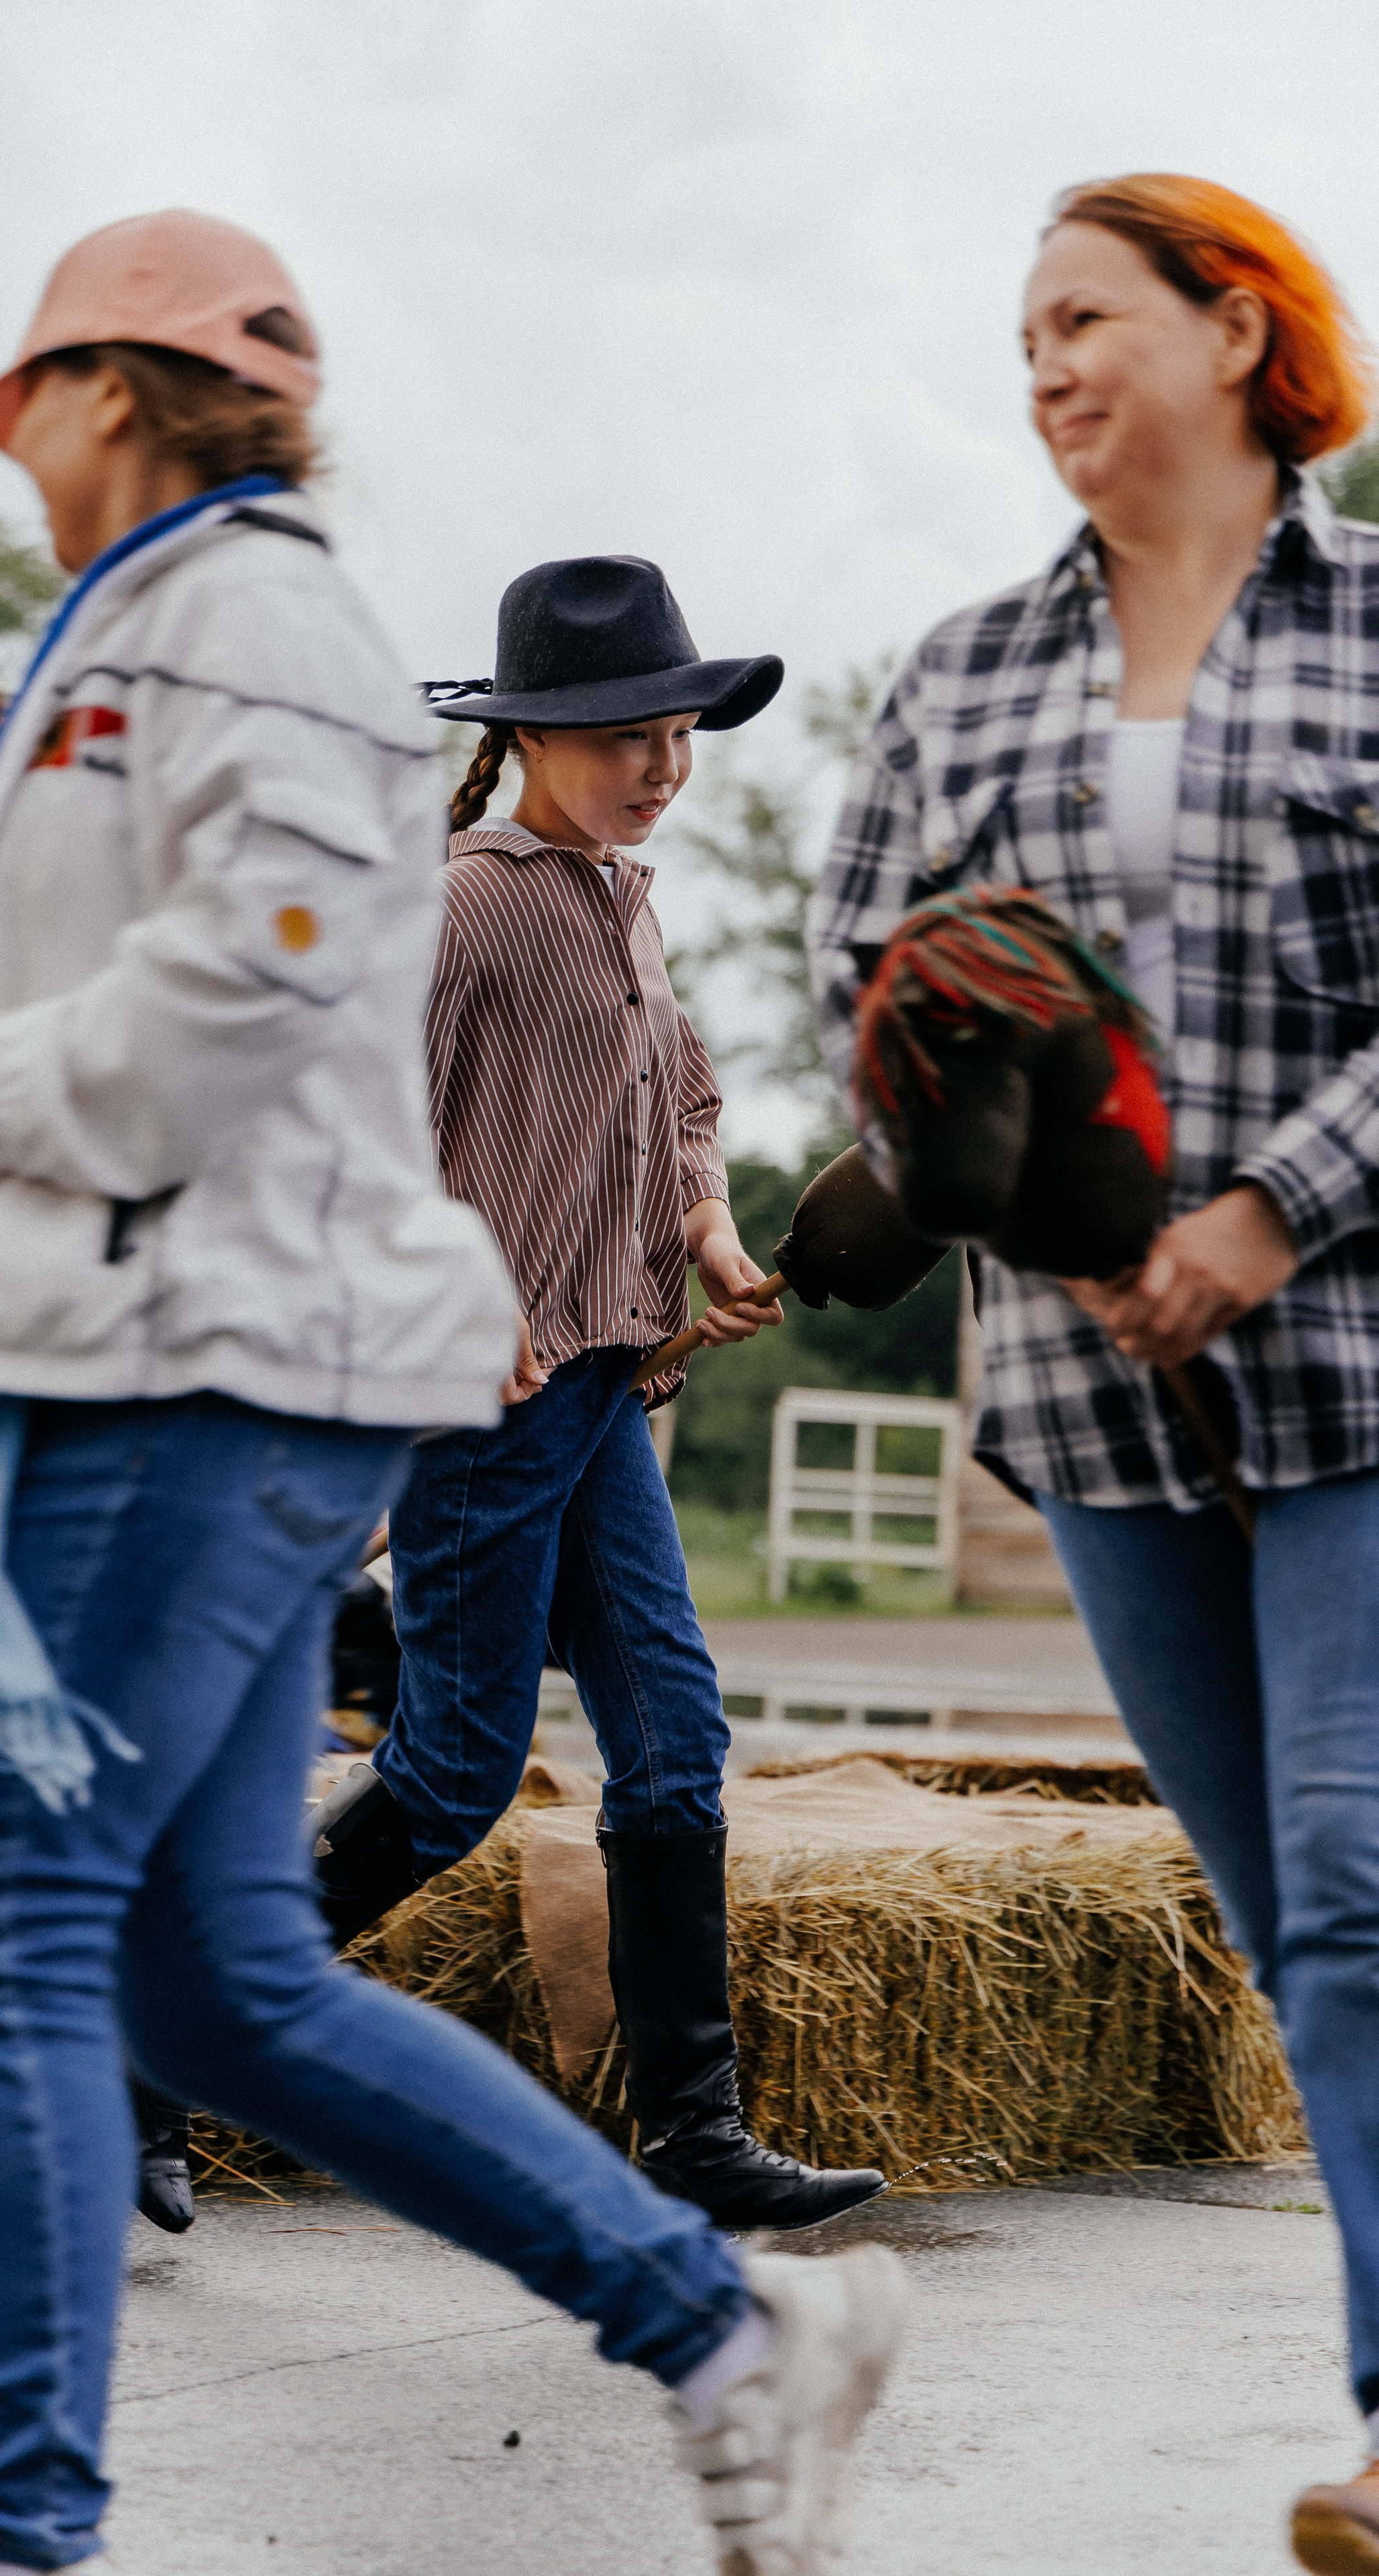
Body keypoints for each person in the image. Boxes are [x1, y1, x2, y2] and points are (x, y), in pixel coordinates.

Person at [0, 212, 902, 2576]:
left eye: (34, 405)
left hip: (197, 1371)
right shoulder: (141, 639)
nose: (18, 450)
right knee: (217, 1979)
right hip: (223, 1349)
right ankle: (721, 2325)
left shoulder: (249, 626)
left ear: (111, 391)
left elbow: (262, 977)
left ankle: (16, 2520)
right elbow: (153, 988)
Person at [810, 170, 1379, 2573]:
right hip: (1083, 1389)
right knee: (1287, 1912)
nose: (1042, 364)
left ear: (1235, 330)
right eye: (1020, 333)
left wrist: (1260, 1215)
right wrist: (1037, 1216)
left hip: (1355, 1353)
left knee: (1353, 1877)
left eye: (1083, 315)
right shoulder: (957, 674)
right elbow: (861, 982)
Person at [310, 555, 887, 2235]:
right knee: (451, 1770)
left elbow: (675, 1093)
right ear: (529, 739)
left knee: (673, 1744)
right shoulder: (464, 903)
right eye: (628, 735)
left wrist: (704, 1228)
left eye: (676, 731)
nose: (662, 764)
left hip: (601, 1381)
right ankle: (160, 2025)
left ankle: (692, 2136)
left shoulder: (618, 895)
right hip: (487, 1398)